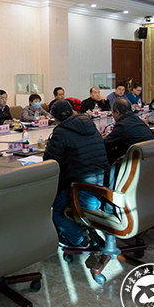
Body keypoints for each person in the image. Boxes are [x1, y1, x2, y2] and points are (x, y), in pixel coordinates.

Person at [42, 100, 110, 249]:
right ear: (73, 111)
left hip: (83, 190)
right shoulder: (90, 124)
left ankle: (78, 241)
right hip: (104, 187)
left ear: (55, 118)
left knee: (56, 211)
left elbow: (49, 160)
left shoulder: (61, 131)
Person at [102, 98, 154, 164]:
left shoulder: (122, 125)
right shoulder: (138, 120)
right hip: (149, 158)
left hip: (134, 161)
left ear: (117, 112)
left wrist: (105, 138)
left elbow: (106, 143)